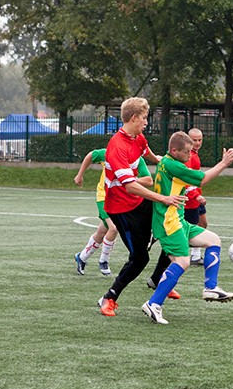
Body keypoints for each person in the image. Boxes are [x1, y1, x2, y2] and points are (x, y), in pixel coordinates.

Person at [97, 97, 186, 317]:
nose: (147, 122)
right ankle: (109, 298)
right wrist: (162, 198)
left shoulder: (137, 137)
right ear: (134, 118)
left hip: (139, 202)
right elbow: (130, 187)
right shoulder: (116, 147)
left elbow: (149, 154)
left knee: (169, 230)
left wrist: (164, 163)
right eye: (145, 118)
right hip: (121, 210)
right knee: (139, 258)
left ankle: (158, 279)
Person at [141, 131, 233, 325]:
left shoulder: (168, 161)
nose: (189, 154)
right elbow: (202, 179)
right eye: (186, 151)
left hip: (178, 220)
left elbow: (189, 184)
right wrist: (224, 163)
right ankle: (153, 304)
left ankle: (210, 287)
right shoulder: (173, 165)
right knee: (183, 261)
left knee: (213, 240)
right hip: (168, 223)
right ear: (174, 150)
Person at [73, 148, 118, 276]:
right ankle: (104, 261)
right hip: (104, 198)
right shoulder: (108, 153)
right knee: (114, 228)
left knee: (102, 231)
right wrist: (80, 175)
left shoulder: (134, 157)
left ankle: (82, 257)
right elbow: (91, 155)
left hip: (118, 200)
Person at [184, 128, 207, 265]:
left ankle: (195, 255)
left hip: (196, 198)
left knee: (202, 224)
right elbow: (185, 180)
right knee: (190, 228)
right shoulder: (188, 156)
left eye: (200, 140)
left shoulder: (195, 155)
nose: (198, 143)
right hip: (190, 200)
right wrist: (195, 195)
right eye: (194, 140)